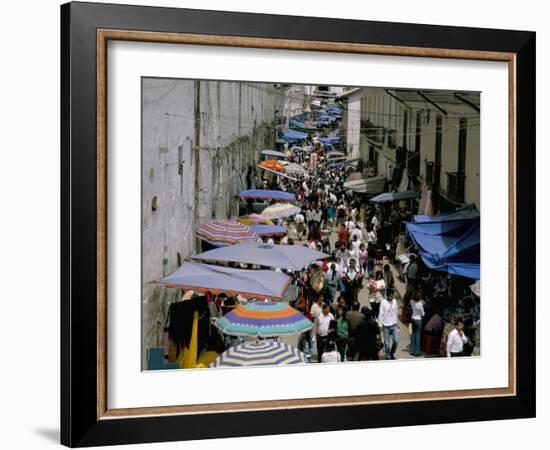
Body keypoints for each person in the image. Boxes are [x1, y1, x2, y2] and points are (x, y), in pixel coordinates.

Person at [378, 288, 400, 360]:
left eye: (392, 296)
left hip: (393, 324)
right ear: (387, 296)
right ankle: (388, 357)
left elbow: (396, 312)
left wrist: (396, 322)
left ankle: (391, 353)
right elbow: (381, 313)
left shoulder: (394, 301)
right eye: (390, 296)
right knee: (387, 344)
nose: (392, 297)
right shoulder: (383, 302)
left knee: (396, 341)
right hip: (386, 326)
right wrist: (380, 324)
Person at [410, 290, 425, 356]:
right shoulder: (420, 304)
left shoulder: (412, 301)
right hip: (418, 319)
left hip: (413, 318)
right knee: (418, 335)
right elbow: (423, 314)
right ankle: (417, 351)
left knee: (413, 334)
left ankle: (412, 350)